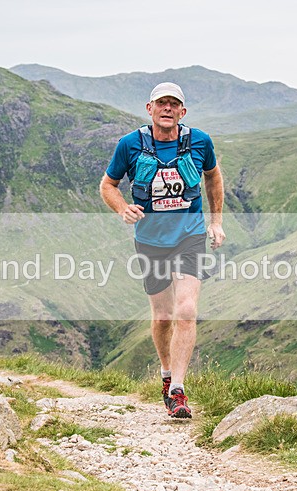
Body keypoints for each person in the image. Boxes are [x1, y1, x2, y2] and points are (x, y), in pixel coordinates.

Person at [99, 82, 225, 418]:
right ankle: (167, 373)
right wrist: (122, 208)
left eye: (174, 104)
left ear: (182, 112)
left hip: (190, 236)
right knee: (163, 316)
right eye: (161, 103)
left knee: (186, 310)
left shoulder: (200, 141)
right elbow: (108, 185)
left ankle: (179, 391)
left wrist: (216, 221)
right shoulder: (130, 145)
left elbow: (213, 177)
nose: (167, 109)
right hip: (151, 240)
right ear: (149, 108)